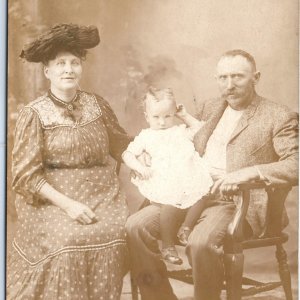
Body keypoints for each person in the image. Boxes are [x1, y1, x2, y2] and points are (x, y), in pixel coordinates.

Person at [125, 49, 298, 300]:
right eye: (223, 78)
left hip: (235, 200)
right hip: (188, 192)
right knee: (135, 227)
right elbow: (179, 142)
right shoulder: (210, 106)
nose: (229, 85)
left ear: (256, 78)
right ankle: (160, 297)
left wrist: (247, 174)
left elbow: (295, 164)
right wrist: (146, 155)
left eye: (238, 77)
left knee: (201, 241)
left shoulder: (277, 115)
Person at [7, 23, 131, 300]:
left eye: (74, 63)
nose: (68, 69)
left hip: (103, 195)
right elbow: (26, 177)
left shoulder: (97, 105)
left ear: (81, 68)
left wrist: (152, 163)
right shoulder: (34, 114)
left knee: (115, 236)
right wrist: (69, 205)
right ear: (47, 71)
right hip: (52, 201)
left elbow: (121, 145)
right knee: (68, 241)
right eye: (60, 63)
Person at [122, 87, 213, 265]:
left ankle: (186, 229)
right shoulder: (146, 136)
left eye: (168, 116)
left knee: (204, 192)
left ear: (174, 114)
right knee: (171, 202)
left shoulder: (179, 130)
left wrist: (184, 116)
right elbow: (127, 154)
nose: (162, 122)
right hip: (165, 179)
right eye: (156, 117)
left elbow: (202, 129)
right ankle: (167, 246)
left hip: (188, 177)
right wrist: (139, 166)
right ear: (147, 116)